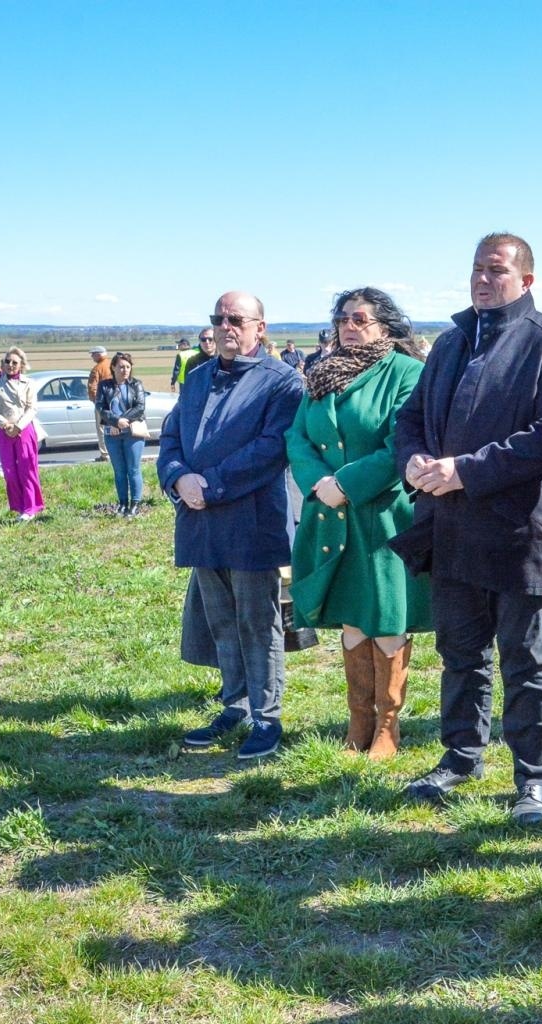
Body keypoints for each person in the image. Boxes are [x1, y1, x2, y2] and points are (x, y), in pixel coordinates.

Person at [395, 233, 542, 823]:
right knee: (459, 654)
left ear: (526, 280)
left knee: (527, 662)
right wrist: (414, 460)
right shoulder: (452, 343)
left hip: (519, 534)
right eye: (477, 268)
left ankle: (533, 779)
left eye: (496, 270)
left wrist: (466, 472)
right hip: (450, 529)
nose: (483, 279)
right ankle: (461, 756)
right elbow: (410, 416)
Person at [287, 287, 431, 759]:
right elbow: (298, 437)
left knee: (386, 617)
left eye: (361, 318)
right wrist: (317, 482)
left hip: (382, 516)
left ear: (385, 325)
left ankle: (388, 727)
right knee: (353, 620)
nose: (350, 326)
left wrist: (347, 483)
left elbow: (400, 445)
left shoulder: (406, 373)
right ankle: (358, 721)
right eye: (344, 318)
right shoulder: (321, 374)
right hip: (330, 515)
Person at [164, 291, 305, 761]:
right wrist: (178, 478)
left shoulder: (282, 382)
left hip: (251, 522)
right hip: (200, 520)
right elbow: (171, 436)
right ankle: (236, 705)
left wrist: (212, 485)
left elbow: (271, 449)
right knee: (220, 620)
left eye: (236, 319)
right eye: (218, 319)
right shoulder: (197, 377)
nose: (226, 327)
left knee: (256, 623)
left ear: (259, 328)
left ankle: (267, 715)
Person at [0, 347, 46, 521]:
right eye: (7, 362)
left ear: (21, 365)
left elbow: (32, 408)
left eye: (14, 362)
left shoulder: (29, 383)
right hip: (4, 431)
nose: (10, 365)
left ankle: (31, 507)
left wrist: (18, 427)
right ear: (3, 364)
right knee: (10, 472)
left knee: (27, 470)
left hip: (24, 430)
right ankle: (19, 508)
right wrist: (5, 425)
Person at [97, 351, 148, 517]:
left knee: (133, 469)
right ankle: (123, 503)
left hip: (133, 433)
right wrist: (114, 422)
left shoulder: (136, 385)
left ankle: (135, 504)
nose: (125, 370)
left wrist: (120, 421)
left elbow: (140, 407)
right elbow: (100, 407)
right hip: (112, 433)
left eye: (128, 367)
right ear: (113, 367)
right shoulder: (104, 386)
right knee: (119, 471)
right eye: (121, 367)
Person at [86, 347, 112, 460]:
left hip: (102, 402)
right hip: (115, 401)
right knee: (114, 426)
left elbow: (92, 387)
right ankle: (114, 452)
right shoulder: (113, 365)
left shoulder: (97, 368)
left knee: (102, 428)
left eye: (93, 354)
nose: (92, 357)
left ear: (99, 355)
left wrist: (95, 400)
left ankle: (105, 454)